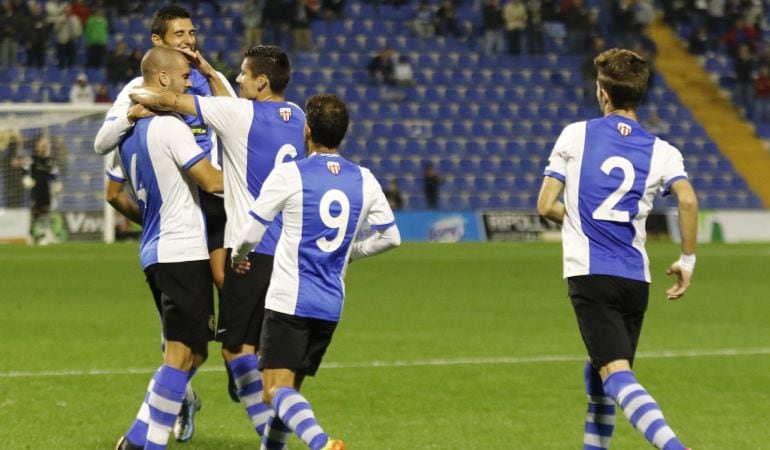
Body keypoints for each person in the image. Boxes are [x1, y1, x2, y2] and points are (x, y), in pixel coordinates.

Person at [130, 44, 306, 441]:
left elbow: (166, 98)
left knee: (234, 349)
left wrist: (135, 107)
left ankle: (268, 439)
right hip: (289, 250)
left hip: (252, 251)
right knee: (264, 354)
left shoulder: (239, 113)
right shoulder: (297, 116)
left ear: (261, 81)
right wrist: (209, 71)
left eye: (243, 73)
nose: (238, 78)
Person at [536, 48, 698, 450]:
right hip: (635, 280)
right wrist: (686, 260)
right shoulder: (663, 151)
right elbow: (689, 201)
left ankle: (675, 447)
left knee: (615, 373)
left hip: (591, 274)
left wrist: (580, 220)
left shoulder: (576, 134)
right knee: (599, 373)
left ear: (603, 93)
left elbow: (544, 205)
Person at [93, 5, 236, 443]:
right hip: (187, 221)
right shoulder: (143, 99)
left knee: (204, 329)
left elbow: (239, 120)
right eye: (180, 34)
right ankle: (150, 429)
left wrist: (211, 76)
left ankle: (239, 363)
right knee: (182, 349)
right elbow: (104, 150)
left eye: (193, 32)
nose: (189, 40)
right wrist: (131, 116)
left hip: (202, 215)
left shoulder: (202, 83)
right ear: (159, 43)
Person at [230, 94, 401, 450]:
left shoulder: (290, 174)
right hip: (330, 304)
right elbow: (391, 237)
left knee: (273, 391)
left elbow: (250, 232)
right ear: (344, 133)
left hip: (290, 301)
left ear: (306, 131)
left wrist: (236, 258)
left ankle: (322, 444)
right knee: (287, 400)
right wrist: (352, 253)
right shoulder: (364, 179)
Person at [24, 135, 61, 245]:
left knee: (46, 213)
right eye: (41, 145)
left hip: (46, 191)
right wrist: (26, 179)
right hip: (35, 191)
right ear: (37, 146)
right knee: (34, 214)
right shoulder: (32, 159)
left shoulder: (50, 161)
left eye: (45, 145)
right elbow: (25, 171)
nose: (43, 147)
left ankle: (44, 234)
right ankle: (32, 235)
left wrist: (56, 183)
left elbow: (54, 175)